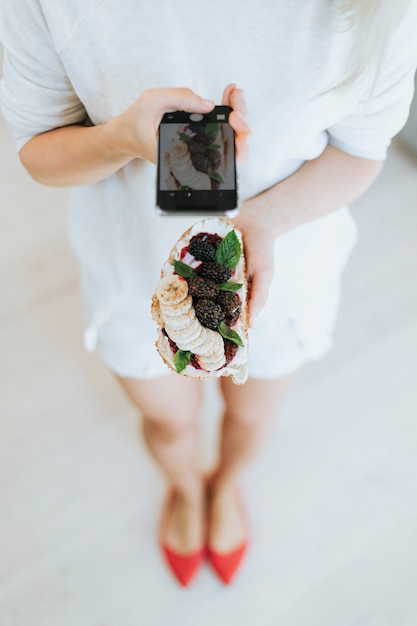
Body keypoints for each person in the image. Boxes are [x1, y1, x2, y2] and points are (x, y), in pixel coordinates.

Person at [1, 0, 416, 587]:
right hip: (132, 270)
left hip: (284, 276)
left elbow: (361, 148)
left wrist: (267, 220)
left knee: (251, 416)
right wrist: (121, 137)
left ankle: (225, 484)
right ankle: (188, 487)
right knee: (169, 424)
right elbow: (40, 149)